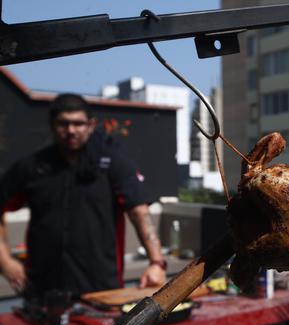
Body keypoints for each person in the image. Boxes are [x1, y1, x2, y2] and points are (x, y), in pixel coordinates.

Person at [0, 93, 166, 299]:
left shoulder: (113, 163)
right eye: (64, 123)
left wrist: (156, 263)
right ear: (52, 125)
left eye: (78, 123)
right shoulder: (33, 167)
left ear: (90, 125)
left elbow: (139, 213)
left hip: (102, 288)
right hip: (43, 290)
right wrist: (5, 262)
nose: (71, 130)